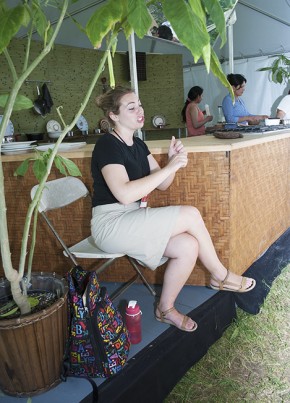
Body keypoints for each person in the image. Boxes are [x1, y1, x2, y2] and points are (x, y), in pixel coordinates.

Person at [91, 86, 256, 333]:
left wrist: (171, 164)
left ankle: (165, 309)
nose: (140, 111)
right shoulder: (107, 145)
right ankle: (220, 275)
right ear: (114, 115)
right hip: (111, 225)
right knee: (190, 214)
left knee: (188, 245)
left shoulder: (137, 144)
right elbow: (124, 194)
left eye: (140, 104)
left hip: (131, 218)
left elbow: (163, 185)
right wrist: (169, 168)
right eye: (131, 107)